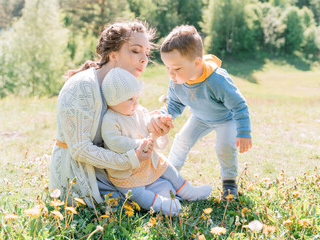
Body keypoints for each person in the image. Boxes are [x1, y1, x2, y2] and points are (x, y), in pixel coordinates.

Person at [49, 20, 174, 208]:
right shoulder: (82, 87)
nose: (144, 59)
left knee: (169, 187)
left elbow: (131, 131)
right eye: (135, 50)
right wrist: (129, 160)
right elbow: (80, 149)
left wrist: (154, 130)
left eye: (147, 53)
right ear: (113, 54)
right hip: (81, 174)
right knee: (149, 198)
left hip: (113, 170)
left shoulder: (121, 88)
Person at [101, 67, 212, 216]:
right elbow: (114, 141)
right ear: (113, 100)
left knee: (167, 167)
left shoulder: (137, 110)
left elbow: (147, 122)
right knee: (136, 193)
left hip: (147, 160)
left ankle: (187, 191)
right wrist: (138, 144)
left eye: (136, 98)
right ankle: (161, 204)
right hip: (126, 169)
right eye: (130, 99)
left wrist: (156, 121)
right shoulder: (111, 119)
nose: (135, 103)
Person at [159, 25, 252, 199]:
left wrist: (244, 132)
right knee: (181, 140)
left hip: (226, 119)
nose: (171, 74)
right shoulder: (176, 81)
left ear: (196, 63)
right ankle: (168, 179)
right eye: (167, 68)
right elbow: (174, 104)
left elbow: (239, 105)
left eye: (177, 69)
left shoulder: (217, 80)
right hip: (200, 118)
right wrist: (162, 113)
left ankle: (229, 183)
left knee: (224, 147)